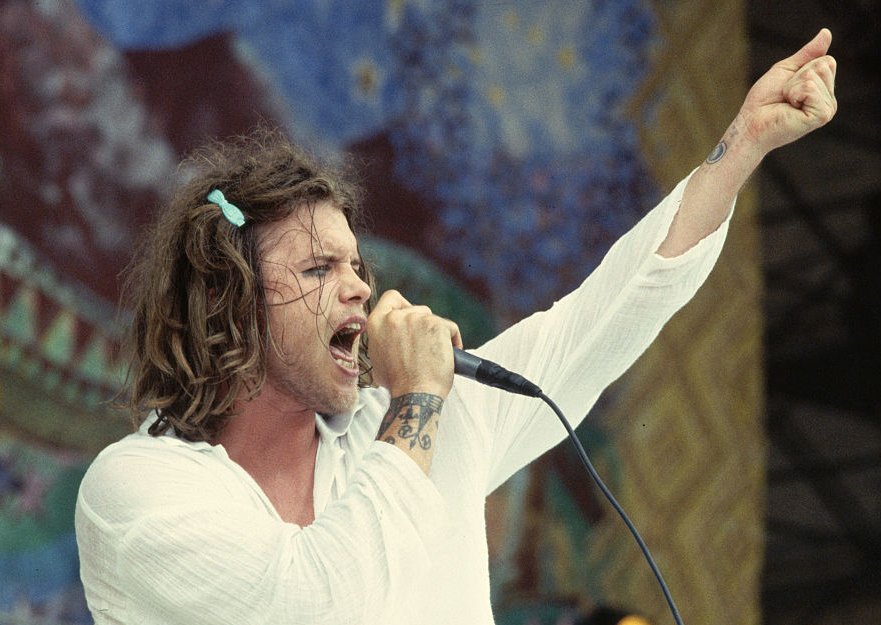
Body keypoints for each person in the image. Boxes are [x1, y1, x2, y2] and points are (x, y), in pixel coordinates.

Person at [75, 29, 837, 625]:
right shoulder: (139, 488)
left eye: (356, 268)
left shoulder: (416, 425)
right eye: (317, 270)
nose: (358, 291)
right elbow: (317, 602)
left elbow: (606, 313)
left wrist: (741, 146)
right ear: (228, 300)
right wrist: (413, 405)